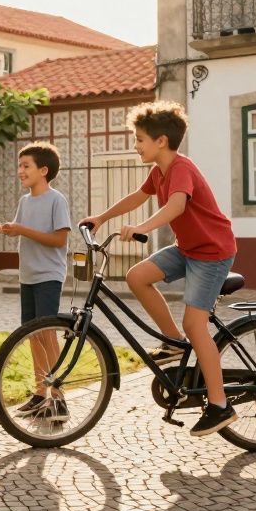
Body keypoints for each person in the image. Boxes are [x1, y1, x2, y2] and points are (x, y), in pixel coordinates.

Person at [80, 100, 239, 437]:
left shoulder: (181, 168)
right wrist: (101, 218)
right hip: (188, 249)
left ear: (161, 141)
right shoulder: (158, 172)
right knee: (137, 276)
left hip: (212, 252)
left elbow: (177, 205)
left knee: (195, 324)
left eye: (140, 139)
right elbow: (137, 197)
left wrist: (142, 228)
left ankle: (220, 404)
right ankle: (173, 342)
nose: (136, 145)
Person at [0, 142, 72, 421]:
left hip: (48, 276)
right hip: (27, 276)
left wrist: (22, 229)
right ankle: (41, 393)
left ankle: (58, 397)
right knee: (31, 334)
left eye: (25, 166)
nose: (20, 171)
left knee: (47, 333)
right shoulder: (24, 202)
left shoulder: (56, 200)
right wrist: (10, 230)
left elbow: (59, 239)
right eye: (19, 166)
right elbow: (24, 231)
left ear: (43, 170)